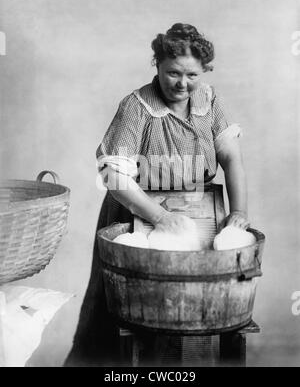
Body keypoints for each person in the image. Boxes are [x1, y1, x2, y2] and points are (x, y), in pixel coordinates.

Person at [65, 23, 250, 367]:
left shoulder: (209, 101)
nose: (182, 83)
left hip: (199, 213)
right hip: (138, 214)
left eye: (191, 75)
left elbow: (231, 157)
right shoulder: (136, 107)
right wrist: (162, 219)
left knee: (198, 305)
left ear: (204, 71)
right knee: (129, 313)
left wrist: (238, 213)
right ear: (157, 65)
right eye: (172, 73)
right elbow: (114, 176)